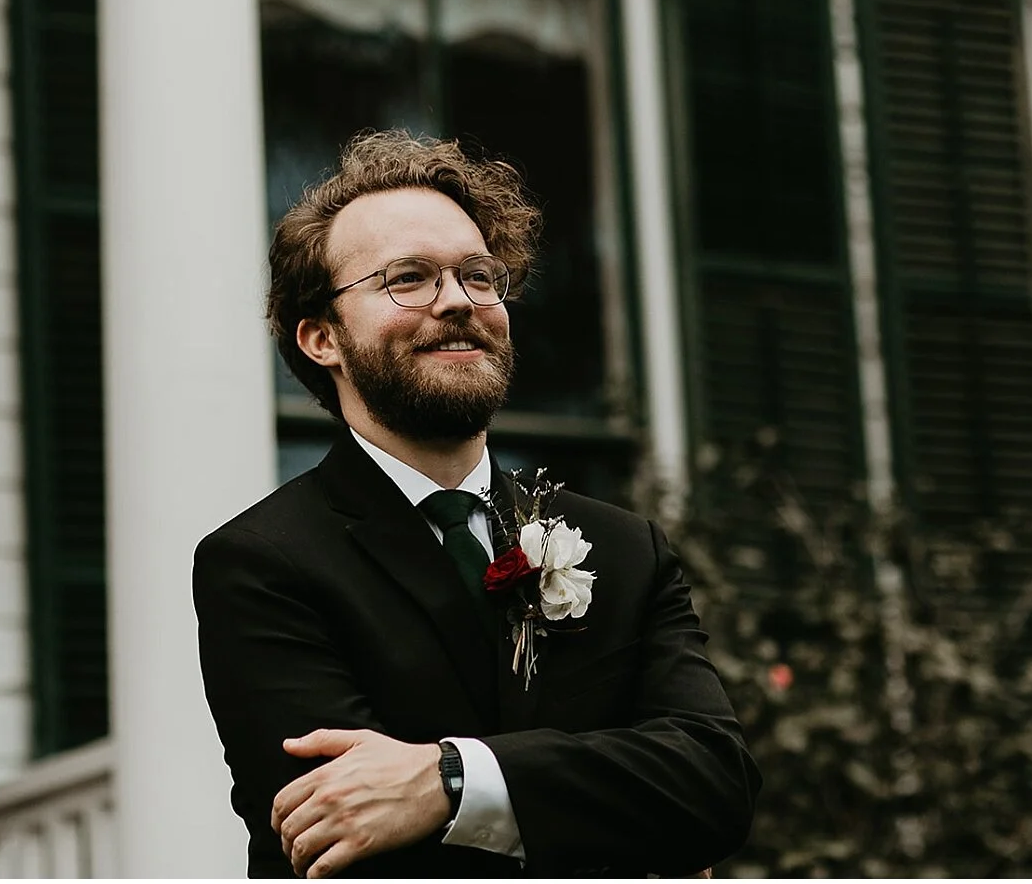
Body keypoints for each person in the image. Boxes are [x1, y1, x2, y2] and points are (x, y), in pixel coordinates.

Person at [193, 130, 760, 878]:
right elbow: (343, 837)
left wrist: (447, 780)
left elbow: (715, 783)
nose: (458, 300)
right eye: (409, 278)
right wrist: (618, 811)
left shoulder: (623, 549)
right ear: (321, 336)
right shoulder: (261, 564)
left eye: (479, 276)